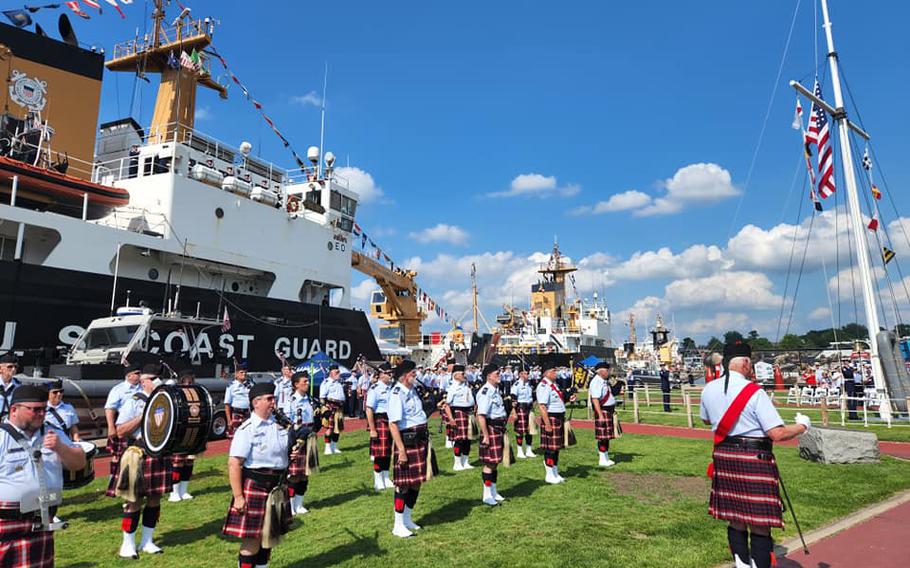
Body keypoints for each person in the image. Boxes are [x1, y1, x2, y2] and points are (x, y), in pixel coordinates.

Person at [700, 342, 811, 568]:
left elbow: (706, 419)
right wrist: (802, 426)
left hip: (724, 456)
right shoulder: (755, 392)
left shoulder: (708, 388)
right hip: (754, 458)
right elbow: (777, 433)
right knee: (759, 523)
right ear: (746, 363)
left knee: (736, 518)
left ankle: (741, 564)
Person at [0, 385, 86, 567]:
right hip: (7, 521)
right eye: (35, 410)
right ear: (14, 410)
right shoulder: (1, 437)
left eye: (44, 409)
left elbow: (79, 463)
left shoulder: (53, 432)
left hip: (42, 518)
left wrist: (60, 448)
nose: (41, 414)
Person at [222, 382, 294, 568]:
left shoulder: (278, 426)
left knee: (268, 538)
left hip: (276, 487)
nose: (273, 402)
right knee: (251, 541)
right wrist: (238, 497)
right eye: (269, 399)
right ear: (256, 402)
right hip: (255, 486)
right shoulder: (247, 430)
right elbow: (234, 463)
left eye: (273, 398)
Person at [114, 364, 172, 558]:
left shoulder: (166, 400)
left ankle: (147, 540)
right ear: (144, 381)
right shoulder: (135, 400)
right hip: (137, 452)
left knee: (155, 499)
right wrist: (143, 414)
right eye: (153, 379)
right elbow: (120, 430)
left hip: (158, 453)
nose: (157, 382)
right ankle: (127, 544)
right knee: (133, 500)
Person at [387, 360, 427, 538]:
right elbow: (393, 424)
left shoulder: (412, 390)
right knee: (402, 485)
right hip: (407, 441)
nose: (415, 376)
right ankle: (398, 524)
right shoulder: (397, 393)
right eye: (413, 373)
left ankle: (408, 518)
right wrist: (401, 451)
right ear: (404, 376)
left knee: (416, 482)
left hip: (419, 439)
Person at [104, 363, 142, 498]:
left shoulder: (142, 388)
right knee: (117, 457)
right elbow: (110, 408)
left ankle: (131, 483)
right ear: (129, 375)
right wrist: (110, 427)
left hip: (138, 427)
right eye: (137, 373)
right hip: (123, 426)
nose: (139, 375)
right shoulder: (118, 390)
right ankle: (113, 484)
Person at [476, 364, 507, 506]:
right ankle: (486, 494)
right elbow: (481, 416)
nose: (499, 375)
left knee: (495, 462)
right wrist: (486, 436)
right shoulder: (485, 392)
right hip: (491, 428)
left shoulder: (495, 390)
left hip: (499, 428)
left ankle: (494, 491)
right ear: (489, 376)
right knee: (490, 463)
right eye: (497, 373)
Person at [287, 371, 317, 516]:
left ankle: (299, 504)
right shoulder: (291, 401)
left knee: (305, 473)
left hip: (309, 437)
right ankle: (291, 506)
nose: (307, 383)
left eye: (307, 381)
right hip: (297, 437)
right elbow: (287, 423)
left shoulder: (309, 399)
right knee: (294, 474)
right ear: (296, 384)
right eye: (304, 381)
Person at [536, 357, 570, 484]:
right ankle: (549, 474)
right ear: (546, 373)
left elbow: (558, 400)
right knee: (550, 449)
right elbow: (542, 406)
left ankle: (555, 472)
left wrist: (568, 398)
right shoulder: (544, 386)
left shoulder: (554, 384)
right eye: (554, 371)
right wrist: (548, 424)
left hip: (558, 417)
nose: (556, 373)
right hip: (551, 418)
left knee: (556, 448)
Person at [169, 369, 200, 502]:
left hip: (192, 430)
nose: (187, 384)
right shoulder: (175, 392)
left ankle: (184, 490)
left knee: (189, 460)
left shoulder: (197, 393)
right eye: (185, 381)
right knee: (177, 461)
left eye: (190, 381)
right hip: (178, 431)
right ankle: (174, 492)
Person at [366, 362, 395, 492]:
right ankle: (378, 479)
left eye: (391, 373)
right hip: (380, 420)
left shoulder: (392, 388)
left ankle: (386, 476)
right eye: (388, 373)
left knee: (388, 450)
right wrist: (372, 429)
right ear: (382, 374)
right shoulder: (375, 389)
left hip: (391, 421)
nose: (391, 375)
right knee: (380, 452)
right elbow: (369, 409)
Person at [443, 364, 474, 471]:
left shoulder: (466, 385)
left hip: (469, 412)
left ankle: (465, 462)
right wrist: (451, 419)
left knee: (468, 439)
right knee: (459, 439)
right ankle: (457, 463)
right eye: (462, 373)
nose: (464, 375)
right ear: (456, 376)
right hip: (459, 412)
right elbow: (447, 405)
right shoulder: (453, 388)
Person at [588, 362, 617, 467]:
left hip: (608, 410)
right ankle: (602, 458)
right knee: (603, 436)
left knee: (607, 436)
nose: (608, 372)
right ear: (601, 371)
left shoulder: (604, 381)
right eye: (607, 370)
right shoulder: (596, 382)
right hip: (602, 410)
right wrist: (600, 415)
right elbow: (595, 399)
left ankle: (606, 457)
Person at [319, 364, 346, 455]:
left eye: (339, 371)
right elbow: (322, 397)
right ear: (331, 373)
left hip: (339, 408)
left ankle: (334, 447)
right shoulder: (326, 383)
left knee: (337, 428)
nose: (338, 373)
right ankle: (327, 448)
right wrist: (325, 409)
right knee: (330, 429)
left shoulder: (339, 382)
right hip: (330, 407)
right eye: (336, 372)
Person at [510, 366, 536, 459]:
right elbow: (513, 398)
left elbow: (533, 395)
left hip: (529, 408)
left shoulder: (529, 384)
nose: (528, 375)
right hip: (520, 408)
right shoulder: (516, 385)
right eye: (526, 373)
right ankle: (520, 451)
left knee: (530, 429)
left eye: (528, 373)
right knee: (520, 430)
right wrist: (514, 412)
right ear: (520, 374)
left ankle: (529, 450)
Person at [225, 362, 252, 437]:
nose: (244, 374)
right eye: (241, 372)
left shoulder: (250, 385)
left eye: (245, 372)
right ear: (236, 374)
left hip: (248, 413)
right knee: (237, 435)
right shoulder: (231, 386)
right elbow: (227, 405)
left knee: (248, 435)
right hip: (237, 413)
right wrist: (229, 421)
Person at [0, 352, 22, 420]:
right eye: (10, 367)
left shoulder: (18, 386)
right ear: (0, 368)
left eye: (15, 367)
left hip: (9, 420)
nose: (13, 369)